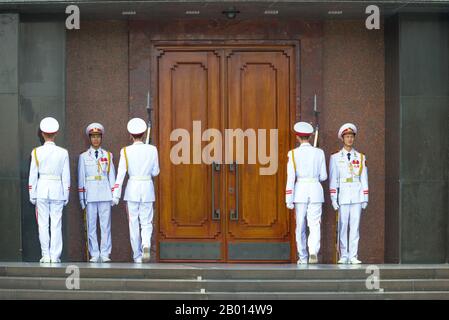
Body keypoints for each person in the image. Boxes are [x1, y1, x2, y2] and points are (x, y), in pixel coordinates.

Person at [113, 118, 159, 263]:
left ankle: (137, 255)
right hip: (147, 188)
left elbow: (120, 175)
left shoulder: (125, 151)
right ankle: (146, 243)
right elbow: (156, 172)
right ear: (144, 134)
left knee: (133, 223)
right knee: (146, 222)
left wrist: (116, 195)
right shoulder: (152, 149)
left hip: (132, 189)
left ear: (131, 135)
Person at [28, 117, 70, 263]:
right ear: (56, 133)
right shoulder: (63, 152)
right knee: (56, 224)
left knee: (43, 224)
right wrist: (66, 194)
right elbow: (66, 176)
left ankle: (46, 255)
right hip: (57, 190)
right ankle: (55, 256)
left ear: (42, 133)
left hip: (41, 190)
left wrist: (32, 193)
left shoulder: (36, 152)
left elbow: (33, 175)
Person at [286, 122, 327, 264]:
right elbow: (323, 177)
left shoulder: (293, 154)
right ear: (310, 136)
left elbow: (291, 178)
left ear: (297, 137)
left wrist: (288, 199)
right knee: (314, 224)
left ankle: (303, 256)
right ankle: (313, 251)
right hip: (315, 190)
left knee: (300, 226)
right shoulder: (319, 153)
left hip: (300, 191)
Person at [329, 123, 369, 264]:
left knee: (355, 226)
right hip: (343, 195)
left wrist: (365, 197)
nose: (350, 139)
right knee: (343, 226)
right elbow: (333, 179)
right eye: (347, 136)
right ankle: (344, 255)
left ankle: (353, 255)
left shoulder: (360, 157)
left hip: (357, 195)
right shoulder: (335, 158)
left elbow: (364, 177)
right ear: (342, 138)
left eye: (351, 136)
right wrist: (334, 198)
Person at [78, 123, 116, 263]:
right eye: (93, 136)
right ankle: (94, 252)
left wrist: (114, 193)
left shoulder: (108, 155)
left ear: (101, 138)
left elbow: (111, 175)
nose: (95, 139)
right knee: (91, 225)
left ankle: (105, 252)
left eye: (98, 136)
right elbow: (81, 178)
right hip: (90, 194)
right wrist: (82, 198)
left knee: (105, 225)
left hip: (105, 193)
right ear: (89, 138)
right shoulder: (83, 156)